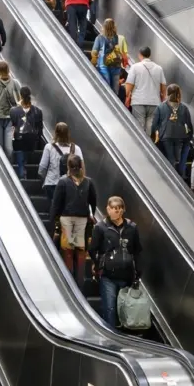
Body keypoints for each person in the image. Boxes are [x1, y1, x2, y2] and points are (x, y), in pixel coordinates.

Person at [89, 196, 142, 328]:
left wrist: (138, 271)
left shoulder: (132, 228)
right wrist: (98, 264)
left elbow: (137, 250)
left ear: (122, 210)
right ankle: (111, 338)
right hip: (108, 274)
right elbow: (92, 249)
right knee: (110, 308)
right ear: (107, 209)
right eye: (111, 209)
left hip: (127, 274)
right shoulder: (100, 228)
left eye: (117, 210)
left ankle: (122, 338)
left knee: (124, 309)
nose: (113, 212)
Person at [50, 155, 97, 292]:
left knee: (68, 254)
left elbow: (56, 204)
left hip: (66, 222)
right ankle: (80, 287)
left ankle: (69, 288)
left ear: (68, 167)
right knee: (81, 255)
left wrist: (53, 223)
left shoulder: (63, 182)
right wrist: (91, 215)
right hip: (82, 221)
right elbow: (93, 203)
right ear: (81, 166)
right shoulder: (89, 182)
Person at [152, 84, 194, 178]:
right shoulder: (183, 108)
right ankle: (178, 171)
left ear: (167, 93)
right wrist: (189, 136)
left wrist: (154, 136)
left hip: (166, 136)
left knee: (170, 157)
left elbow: (155, 124)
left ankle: (172, 174)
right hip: (180, 136)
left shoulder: (161, 107)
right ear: (179, 94)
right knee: (177, 156)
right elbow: (189, 124)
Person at [38, 122, 83, 206]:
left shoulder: (49, 147)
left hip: (52, 183)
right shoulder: (76, 148)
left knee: (54, 209)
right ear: (68, 133)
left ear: (55, 133)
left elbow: (42, 167)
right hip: (70, 184)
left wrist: (45, 179)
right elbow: (82, 168)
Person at [125, 46, 167, 136]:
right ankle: (147, 144)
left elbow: (129, 84)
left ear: (140, 55)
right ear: (149, 55)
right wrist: (163, 97)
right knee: (150, 126)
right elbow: (163, 85)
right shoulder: (159, 68)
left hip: (138, 101)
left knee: (139, 125)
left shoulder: (135, 67)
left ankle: (139, 144)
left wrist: (127, 96)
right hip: (154, 102)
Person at [9, 86, 44, 180]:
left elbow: (12, 127)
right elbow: (40, 128)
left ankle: (22, 176)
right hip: (31, 140)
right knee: (25, 157)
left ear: (20, 96)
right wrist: (38, 141)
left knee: (20, 158)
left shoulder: (14, 111)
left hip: (19, 139)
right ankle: (25, 172)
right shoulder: (38, 111)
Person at [91, 18, 128, 89]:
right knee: (115, 88)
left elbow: (94, 52)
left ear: (104, 27)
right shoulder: (119, 38)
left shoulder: (99, 38)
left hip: (103, 65)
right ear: (114, 27)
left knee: (106, 86)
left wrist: (93, 63)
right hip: (116, 65)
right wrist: (124, 63)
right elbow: (124, 55)